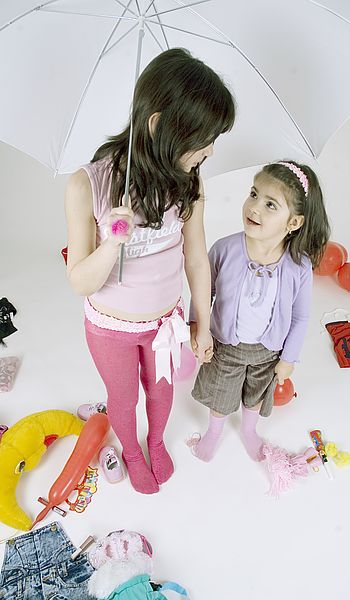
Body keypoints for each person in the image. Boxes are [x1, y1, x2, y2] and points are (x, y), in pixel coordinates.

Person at [65, 48, 235, 494]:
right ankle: (132, 450)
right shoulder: (90, 186)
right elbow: (79, 281)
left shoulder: (189, 185)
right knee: (125, 398)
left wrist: (202, 320)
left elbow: (196, 257)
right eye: (203, 137)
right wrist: (111, 244)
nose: (211, 149)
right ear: (158, 125)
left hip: (164, 324)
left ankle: (155, 441)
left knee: (161, 393)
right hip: (111, 330)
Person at [188, 160, 330, 462]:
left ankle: (249, 431)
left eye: (270, 204)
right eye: (253, 194)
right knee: (222, 394)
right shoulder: (225, 249)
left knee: (255, 395)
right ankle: (214, 431)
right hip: (226, 346)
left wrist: (288, 358)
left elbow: (301, 315)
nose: (254, 208)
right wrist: (195, 327)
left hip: (268, 352)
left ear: (293, 223)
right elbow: (204, 291)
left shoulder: (299, 266)